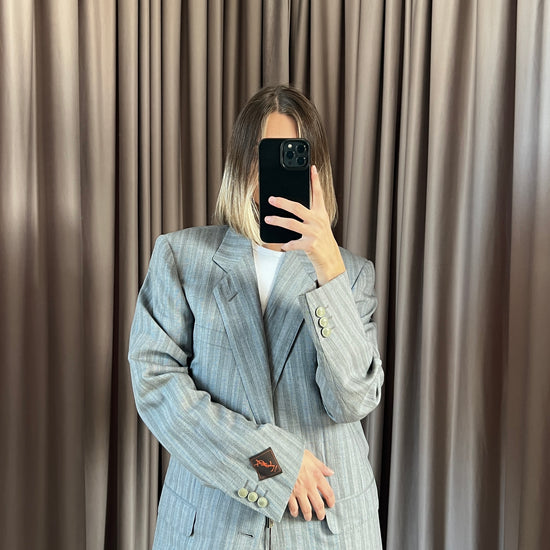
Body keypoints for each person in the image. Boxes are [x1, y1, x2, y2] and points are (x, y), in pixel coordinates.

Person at [128, 85, 384, 550]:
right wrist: (272, 464)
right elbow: (155, 386)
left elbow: (352, 400)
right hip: (212, 526)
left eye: (294, 158)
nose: (275, 175)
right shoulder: (181, 258)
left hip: (326, 528)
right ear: (243, 163)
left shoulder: (350, 275)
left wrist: (327, 264)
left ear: (316, 171)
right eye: (267, 157)